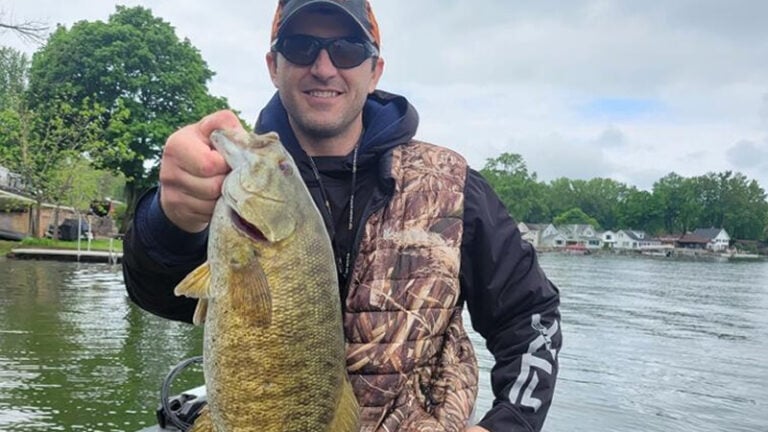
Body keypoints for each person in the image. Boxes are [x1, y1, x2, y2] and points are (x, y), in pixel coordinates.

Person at [122, 0, 562, 431]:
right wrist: (173, 219)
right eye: (301, 46)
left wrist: (510, 423)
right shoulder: (222, 180)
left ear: (375, 71)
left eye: (348, 49)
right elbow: (155, 293)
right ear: (274, 64)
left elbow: (530, 315)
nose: (325, 66)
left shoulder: (451, 186)